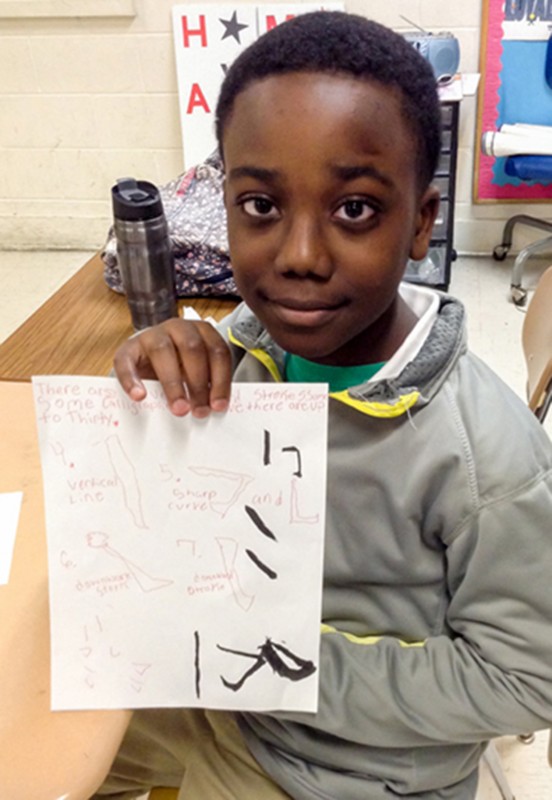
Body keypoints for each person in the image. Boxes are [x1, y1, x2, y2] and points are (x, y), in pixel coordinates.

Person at [93, 11, 552, 800]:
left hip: (347, 771)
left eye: (355, 210)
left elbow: (525, 680)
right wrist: (147, 384)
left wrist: (286, 662)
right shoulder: (245, 358)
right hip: (224, 698)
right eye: (261, 208)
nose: (300, 257)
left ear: (421, 223)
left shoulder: (485, 458)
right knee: (37, 727)